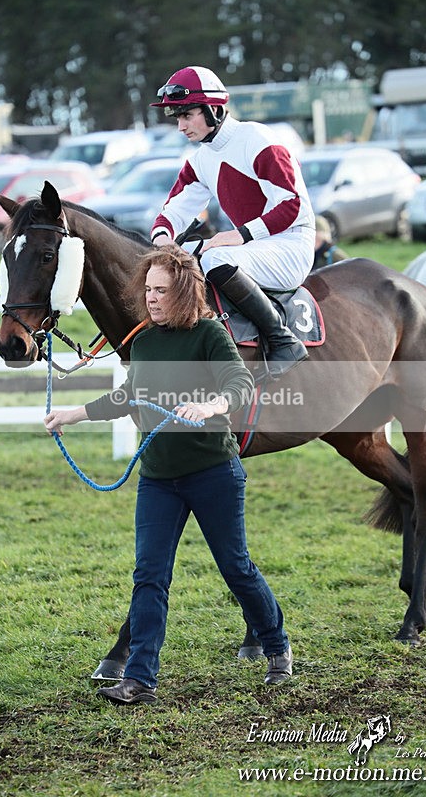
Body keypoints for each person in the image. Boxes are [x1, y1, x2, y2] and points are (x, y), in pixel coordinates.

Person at [44, 246, 292, 705]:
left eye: (161, 290)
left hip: (213, 473)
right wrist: (72, 415)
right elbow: (127, 397)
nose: (151, 298)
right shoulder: (144, 342)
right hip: (158, 478)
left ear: (183, 292)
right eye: (148, 289)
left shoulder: (210, 335)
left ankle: (277, 645)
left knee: (236, 568)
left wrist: (212, 404)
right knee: (150, 575)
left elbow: (239, 384)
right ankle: (139, 677)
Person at [149, 65, 316, 378]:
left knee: (215, 255)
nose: (181, 126)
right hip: (253, 250)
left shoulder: (258, 139)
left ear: (213, 109)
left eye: (187, 115)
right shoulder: (200, 159)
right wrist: (162, 239)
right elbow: (173, 211)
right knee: (185, 260)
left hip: (290, 244)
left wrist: (241, 235)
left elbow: (293, 205)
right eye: (178, 118)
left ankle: (283, 341)